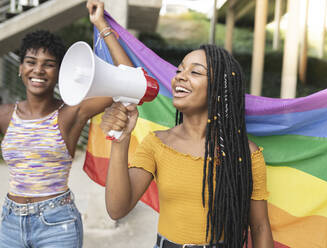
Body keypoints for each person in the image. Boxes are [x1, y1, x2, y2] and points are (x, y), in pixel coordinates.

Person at [92, 1, 274, 247]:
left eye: (195, 72)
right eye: (179, 70)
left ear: (219, 90)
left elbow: (260, 227)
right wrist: (120, 142)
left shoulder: (245, 154)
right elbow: (117, 209)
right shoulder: (158, 144)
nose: (180, 76)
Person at [0, 3, 133, 246]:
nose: (38, 69)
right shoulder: (6, 115)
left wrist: (102, 25)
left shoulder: (72, 112)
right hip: (9, 225)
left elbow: (130, 82)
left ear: (60, 71)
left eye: (49, 64)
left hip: (56, 225)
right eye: (30, 61)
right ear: (20, 68)